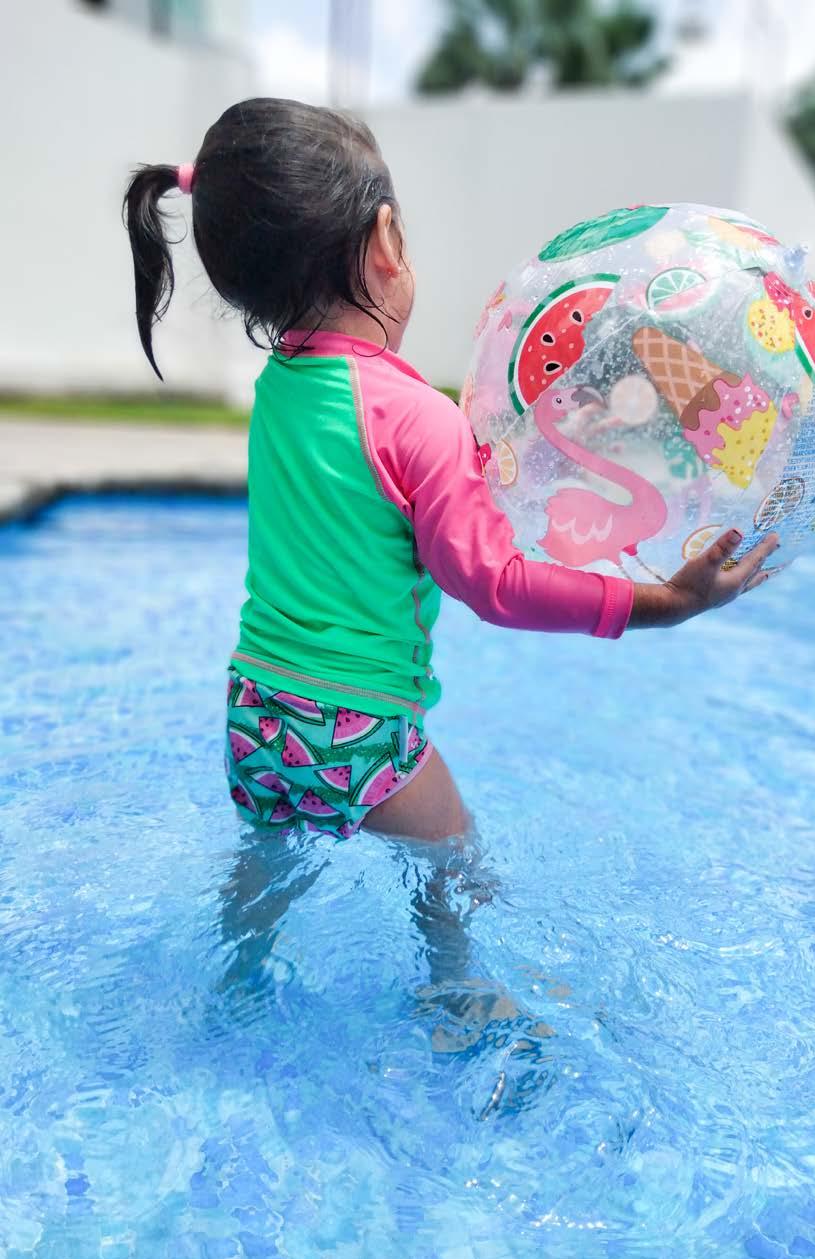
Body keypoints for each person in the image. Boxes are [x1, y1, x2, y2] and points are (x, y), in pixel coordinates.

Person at [123, 98, 778, 849]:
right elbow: (494, 584)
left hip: (254, 711)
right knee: (459, 866)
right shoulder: (417, 416)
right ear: (385, 240)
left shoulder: (279, 388)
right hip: (356, 727)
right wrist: (664, 602)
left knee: (265, 878)